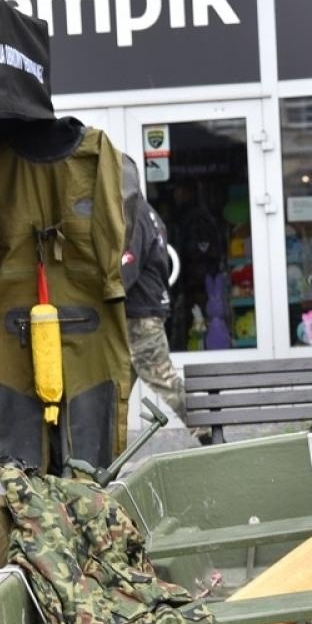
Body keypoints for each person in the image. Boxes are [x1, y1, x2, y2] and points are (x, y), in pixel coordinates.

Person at [119, 160, 189, 428]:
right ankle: (103, 456)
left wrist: (105, 296)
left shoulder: (133, 216)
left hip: (138, 314)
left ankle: (209, 431)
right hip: (146, 309)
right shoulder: (150, 214)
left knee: (163, 378)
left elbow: (128, 265)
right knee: (115, 389)